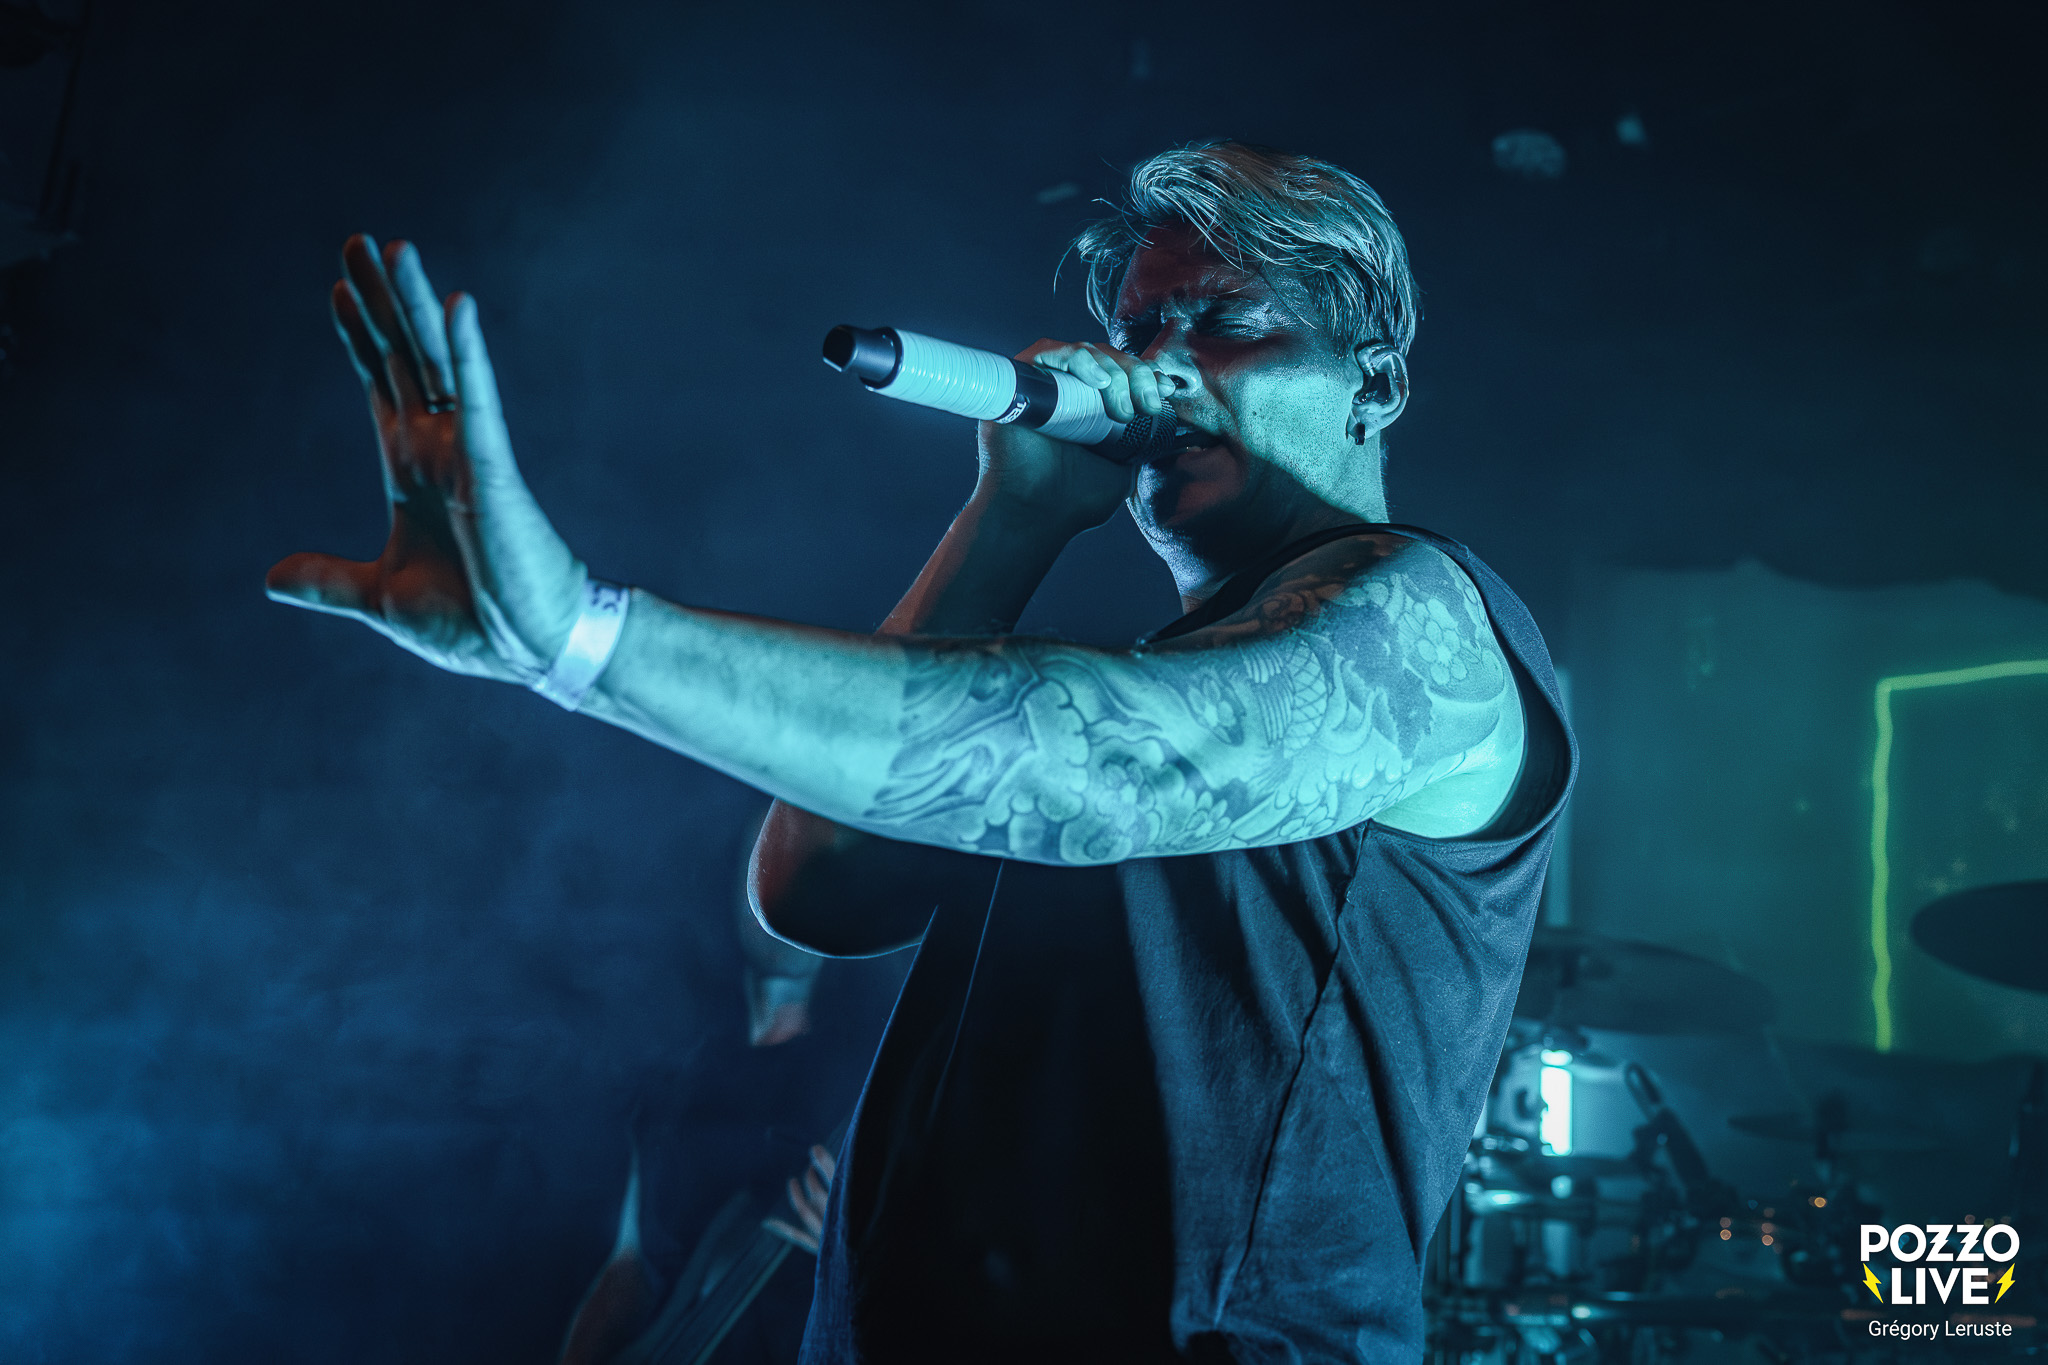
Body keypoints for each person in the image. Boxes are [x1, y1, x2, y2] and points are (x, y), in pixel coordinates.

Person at [268, 141, 1575, 1363]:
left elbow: (1095, 767)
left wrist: (579, 633)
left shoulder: (1423, 620)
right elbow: (819, 884)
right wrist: (1010, 513)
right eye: (1138, 332)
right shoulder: (1158, 667)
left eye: (1226, 321)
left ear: (1375, 381)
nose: (1161, 369)